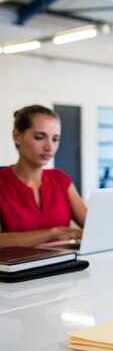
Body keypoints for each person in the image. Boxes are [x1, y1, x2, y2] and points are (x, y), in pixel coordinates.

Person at [0, 105, 87, 247]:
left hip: (65, 265)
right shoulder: (2, 183)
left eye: (55, 139)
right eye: (39, 137)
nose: (49, 147)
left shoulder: (60, 179)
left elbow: (94, 227)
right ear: (17, 136)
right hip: (18, 268)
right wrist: (53, 233)